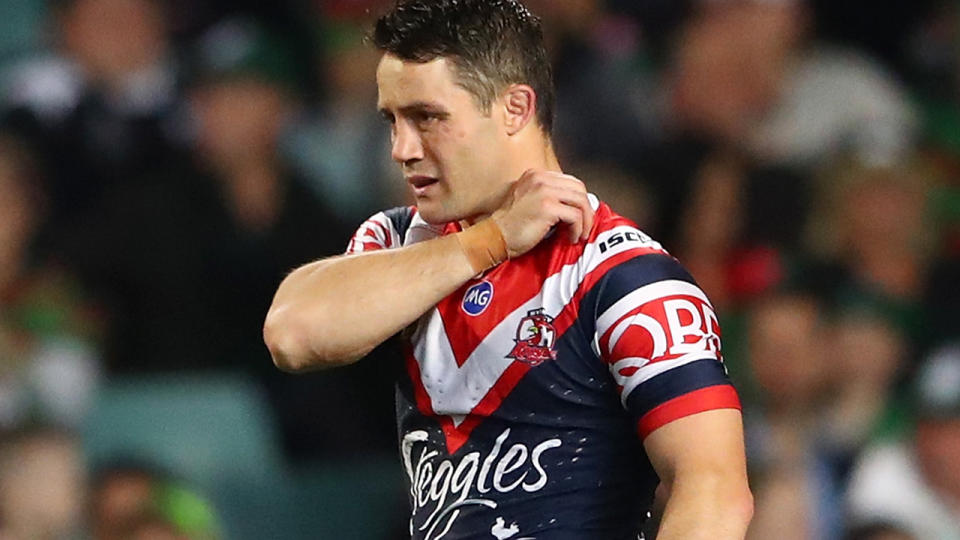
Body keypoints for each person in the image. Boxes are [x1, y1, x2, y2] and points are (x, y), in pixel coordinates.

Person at [263, 1, 753, 538]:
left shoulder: (624, 278)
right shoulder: (400, 239)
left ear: (516, 108)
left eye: (427, 117)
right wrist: (491, 240)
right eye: (392, 121)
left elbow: (714, 493)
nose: (401, 148)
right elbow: (293, 334)